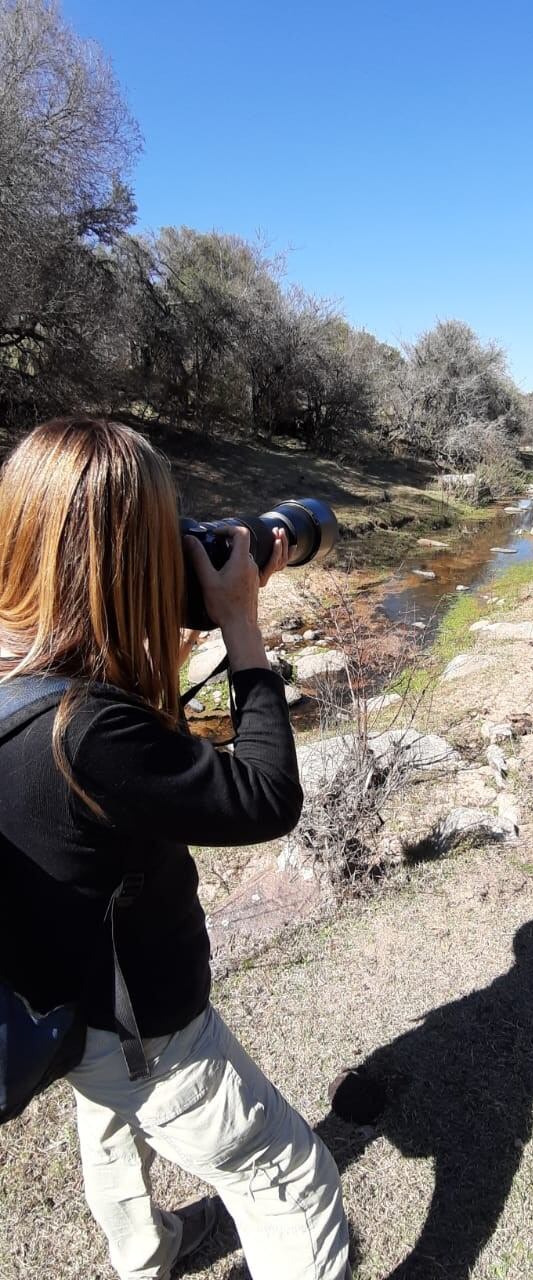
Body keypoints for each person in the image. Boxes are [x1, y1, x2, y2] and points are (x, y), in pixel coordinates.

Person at [0, 417, 351, 1280]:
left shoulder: (25, 667)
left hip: (63, 1002)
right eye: (160, 533)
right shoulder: (89, 729)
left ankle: (146, 1252)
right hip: (144, 1025)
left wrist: (147, 638)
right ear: (127, 559)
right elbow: (266, 798)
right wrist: (238, 624)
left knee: (108, 1123)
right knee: (290, 1177)